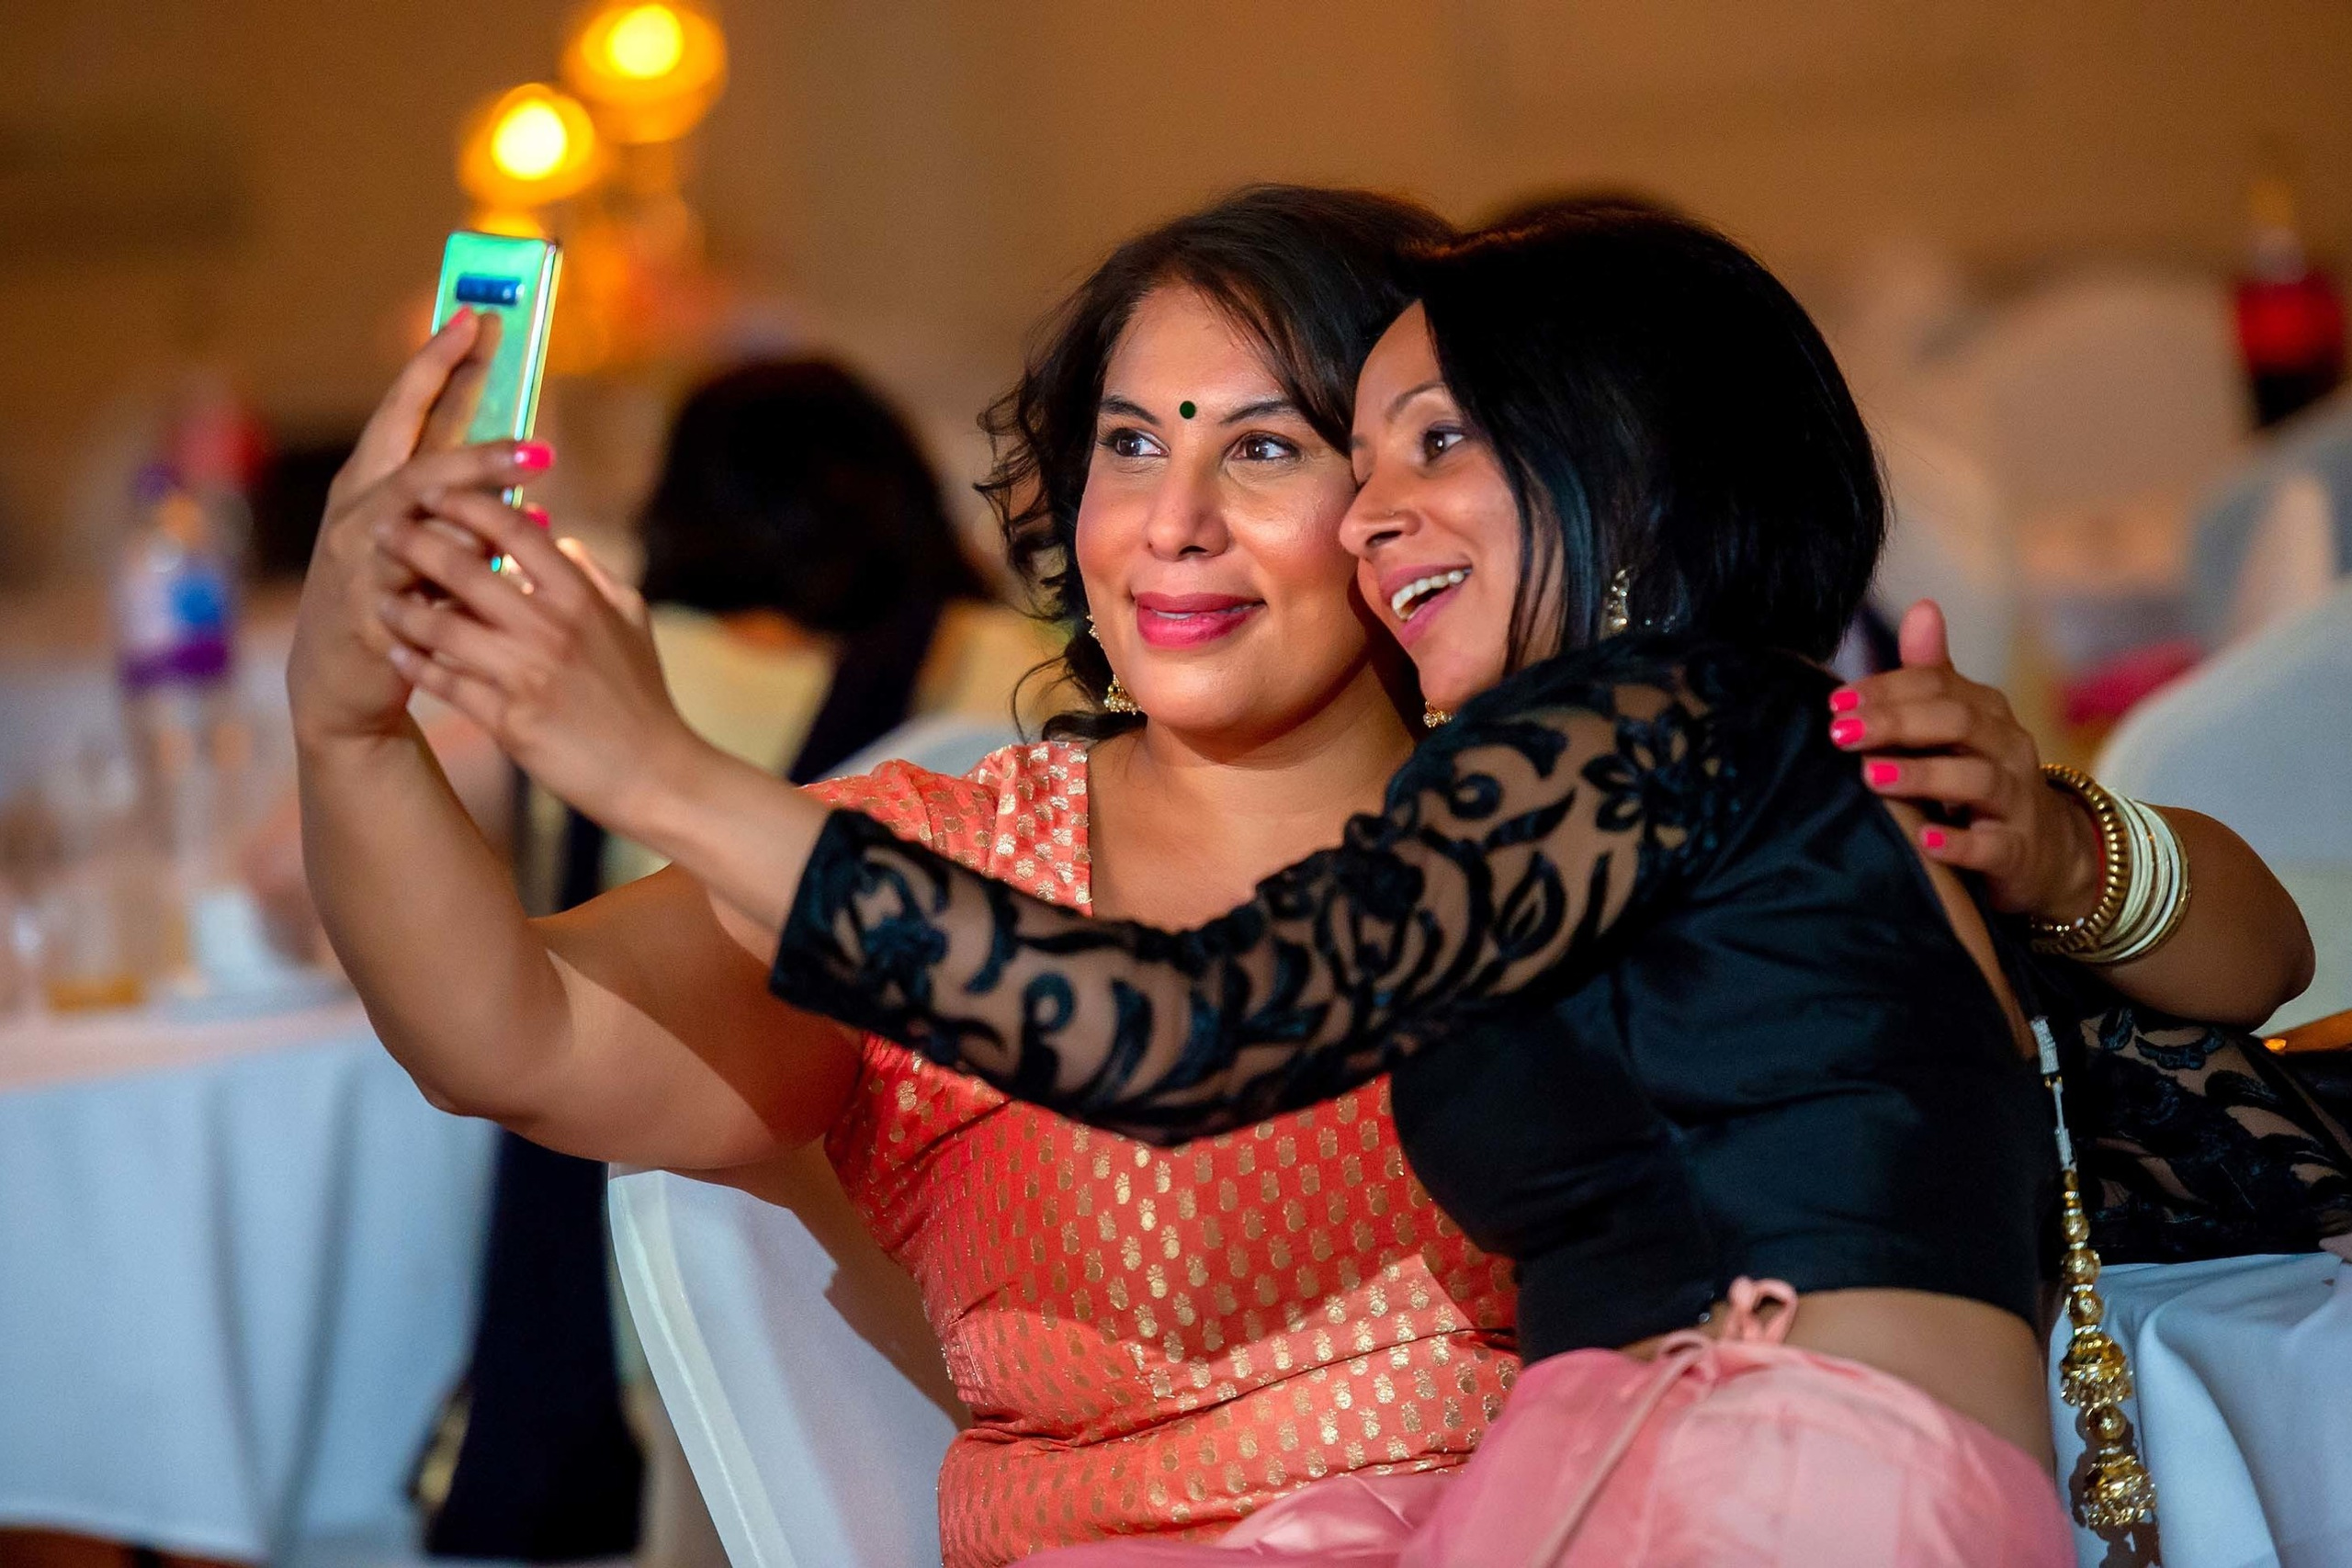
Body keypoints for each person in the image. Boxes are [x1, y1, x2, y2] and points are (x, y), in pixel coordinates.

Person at [356, 206, 2344, 1563]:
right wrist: (358, 732)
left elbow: (1176, 1023)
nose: (1360, 508)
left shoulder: (1632, 751)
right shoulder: (1558, 798)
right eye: (1132, 440)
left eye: (1395, 442)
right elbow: (499, 1025)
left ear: (1610, 466)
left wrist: (651, 771)